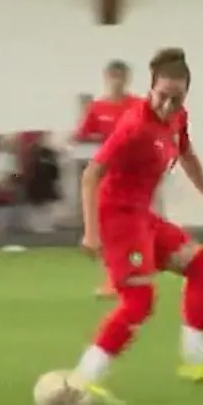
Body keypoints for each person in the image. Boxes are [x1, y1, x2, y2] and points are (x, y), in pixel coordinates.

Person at [71, 48, 203, 405]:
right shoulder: (133, 126)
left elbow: (187, 153)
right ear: (151, 88)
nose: (167, 105)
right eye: (162, 96)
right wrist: (91, 232)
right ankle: (83, 379)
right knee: (139, 302)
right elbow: (91, 175)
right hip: (117, 218)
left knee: (202, 266)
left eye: (176, 98)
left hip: (142, 217)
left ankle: (196, 362)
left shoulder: (177, 118)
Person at [72, 60, 142, 299]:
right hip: (106, 174)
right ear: (107, 78)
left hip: (133, 174)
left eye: (121, 77)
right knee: (108, 227)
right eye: (113, 76)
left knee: (132, 225)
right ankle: (116, 278)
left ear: (127, 78)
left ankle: (130, 273)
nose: (117, 81)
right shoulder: (97, 108)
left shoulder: (137, 106)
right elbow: (82, 136)